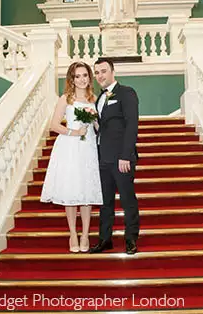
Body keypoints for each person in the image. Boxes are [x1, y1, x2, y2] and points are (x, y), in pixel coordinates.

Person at [40, 61, 103, 253]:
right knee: (71, 191)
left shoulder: (94, 99)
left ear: (89, 78)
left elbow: (97, 128)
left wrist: (98, 125)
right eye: (78, 76)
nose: (82, 79)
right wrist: (73, 132)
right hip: (69, 147)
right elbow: (54, 125)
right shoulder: (65, 99)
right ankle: (73, 233)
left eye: (85, 75)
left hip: (88, 147)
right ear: (72, 79)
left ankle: (85, 234)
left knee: (86, 192)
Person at [89, 58, 139, 255]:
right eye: (97, 72)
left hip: (121, 158)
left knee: (128, 200)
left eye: (103, 71)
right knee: (105, 202)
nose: (100, 75)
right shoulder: (98, 99)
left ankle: (131, 239)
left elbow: (132, 125)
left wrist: (125, 155)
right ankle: (105, 239)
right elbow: (104, 128)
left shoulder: (126, 93)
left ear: (112, 71)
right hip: (103, 158)